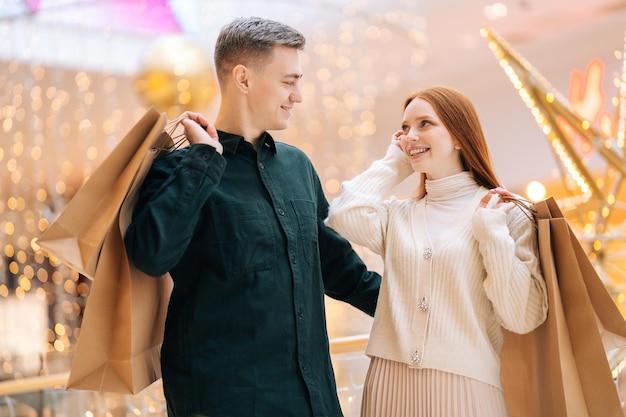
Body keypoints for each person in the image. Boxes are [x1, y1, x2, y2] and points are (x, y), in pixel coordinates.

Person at [124, 16, 381, 417]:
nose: (298, 95)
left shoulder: (297, 166)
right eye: (288, 81)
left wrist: (422, 307)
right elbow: (151, 254)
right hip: (224, 402)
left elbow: (339, 268)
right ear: (243, 78)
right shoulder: (180, 168)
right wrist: (204, 160)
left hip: (313, 401)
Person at [325, 86, 548, 417]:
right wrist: (395, 162)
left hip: (467, 388)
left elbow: (522, 316)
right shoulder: (398, 215)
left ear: (459, 136)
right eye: (404, 128)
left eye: (424, 124)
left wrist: (492, 235)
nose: (410, 135)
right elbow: (343, 213)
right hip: (389, 386)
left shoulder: (506, 212)